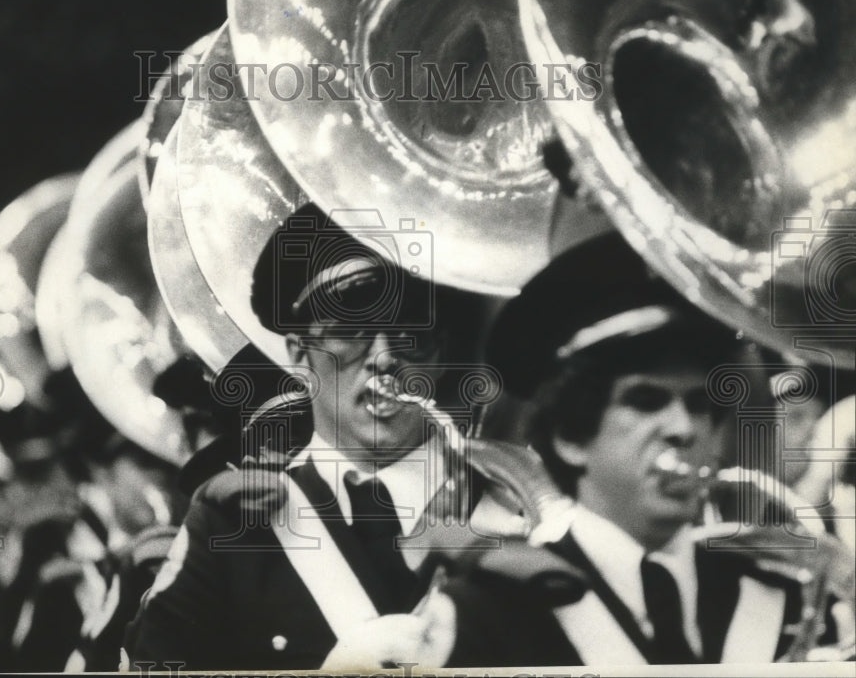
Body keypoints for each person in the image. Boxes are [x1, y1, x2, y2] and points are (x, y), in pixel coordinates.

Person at [326, 232, 826, 668]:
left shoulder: (785, 601)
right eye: (646, 401)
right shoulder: (489, 615)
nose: (683, 429)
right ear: (570, 437)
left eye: (699, 406)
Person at [125, 203, 486, 670]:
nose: (383, 356)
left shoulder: (509, 500)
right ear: (299, 354)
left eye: (408, 332)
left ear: (438, 354)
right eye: (350, 331)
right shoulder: (233, 532)